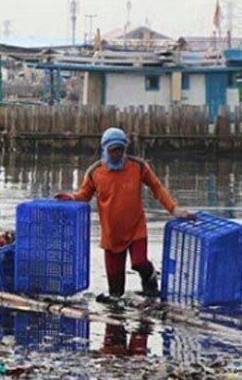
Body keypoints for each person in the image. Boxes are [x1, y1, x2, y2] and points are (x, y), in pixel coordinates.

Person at [56, 127, 194, 301]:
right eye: (113, 150)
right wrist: (71, 197)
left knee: (139, 263)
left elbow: (156, 187)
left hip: (136, 228)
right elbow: (84, 195)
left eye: (120, 149)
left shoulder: (138, 166)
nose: (117, 154)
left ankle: (150, 281)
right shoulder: (94, 172)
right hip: (111, 234)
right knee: (115, 291)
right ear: (105, 150)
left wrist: (174, 209)